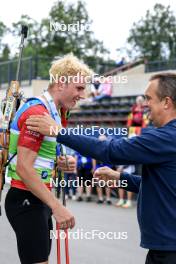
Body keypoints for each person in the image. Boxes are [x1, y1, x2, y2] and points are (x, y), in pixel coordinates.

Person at [27, 73, 176, 264]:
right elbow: (160, 186)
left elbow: (110, 150)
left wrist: (58, 131)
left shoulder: (166, 137)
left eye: (149, 98)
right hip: (164, 246)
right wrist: (119, 178)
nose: (144, 104)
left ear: (166, 102)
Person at [5, 54, 92, 264]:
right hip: (25, 198)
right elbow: (25, 168)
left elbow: (38, 157)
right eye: (79, 88)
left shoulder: (57, 113)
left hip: (39, 197)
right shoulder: (38, 112)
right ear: (61, 83)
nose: (83, 95)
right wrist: (57, 206)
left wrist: (60, 162)